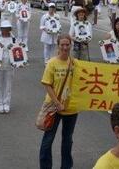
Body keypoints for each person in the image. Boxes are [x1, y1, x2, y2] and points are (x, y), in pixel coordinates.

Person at [39, 34, 79, 169]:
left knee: (68, 140)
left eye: (67, 44)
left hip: (71, 109)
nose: (65, 47)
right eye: (62, 44)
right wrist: (57, 102)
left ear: (71, 45)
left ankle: (66, 166)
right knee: (48, 140)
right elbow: (47, 84)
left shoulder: (75, 63)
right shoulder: (52, 63)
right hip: (54, 108)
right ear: (58, 46)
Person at [0, 20, 17, 114]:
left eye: (7, 28)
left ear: (10, 29)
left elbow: (18, 52)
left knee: (8, 86)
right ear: (1, 29)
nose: (6, 30)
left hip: (10, 66)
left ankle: (6, 103)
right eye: (4, 28)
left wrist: (18, 62)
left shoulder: (14, 39)